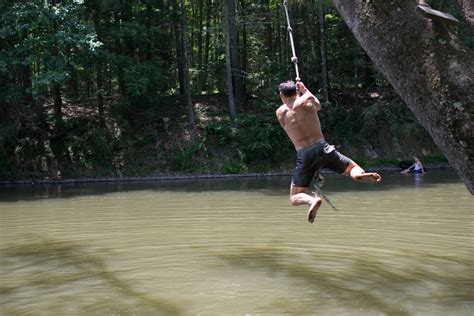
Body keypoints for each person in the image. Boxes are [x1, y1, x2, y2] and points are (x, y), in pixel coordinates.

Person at [276, 80, 382, 224]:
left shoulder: (280, 113)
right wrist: (305, 90)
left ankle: (312, 200)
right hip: (323, 148)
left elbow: (293, 112)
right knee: (353, 168)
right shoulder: (305, 100)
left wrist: (299, 94)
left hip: (304, 155)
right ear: (296, 91)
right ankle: (358, 175)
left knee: (295, 197)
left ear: (281, 95)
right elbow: (318, 106)